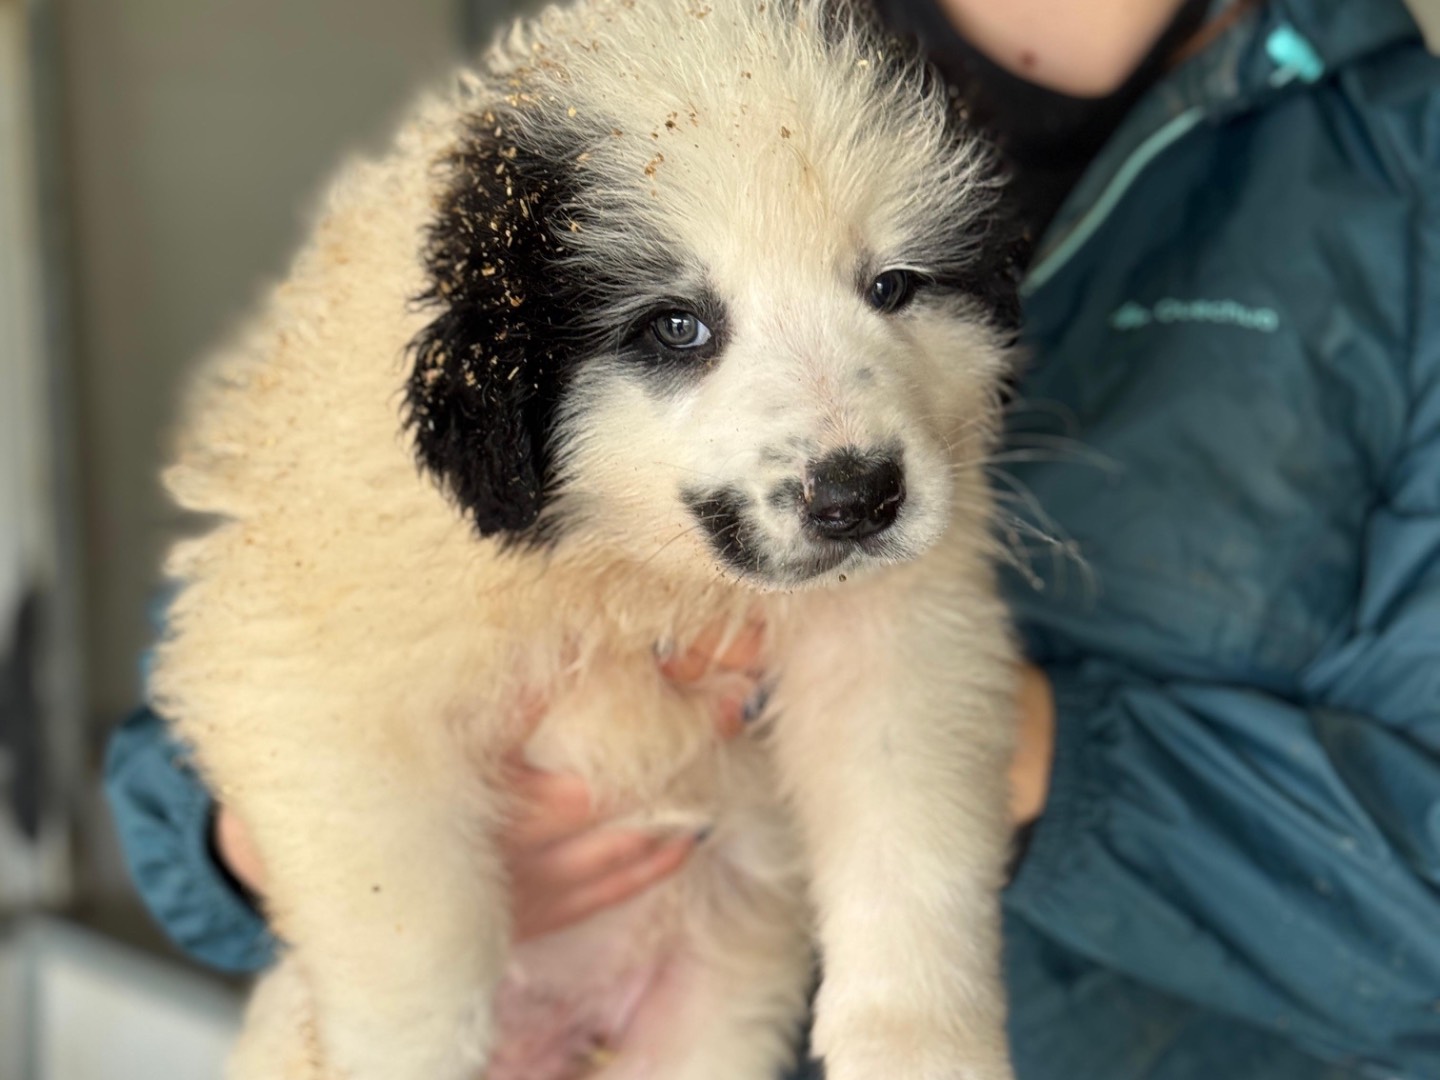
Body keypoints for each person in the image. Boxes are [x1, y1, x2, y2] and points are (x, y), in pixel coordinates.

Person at [106, 0, 1440, 1076]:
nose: (843, 438)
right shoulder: (610, 83)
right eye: (675, 335)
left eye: (894, 288)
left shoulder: (1396, 163)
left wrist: (1016, 753)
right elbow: (227, 699)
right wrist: (291, 863)